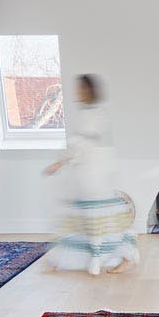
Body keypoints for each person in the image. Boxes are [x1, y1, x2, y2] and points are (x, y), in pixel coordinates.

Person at [44, 73, 139, 274]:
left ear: (89, 91)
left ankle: (124, 255)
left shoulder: (95, 115)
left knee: (98, 217)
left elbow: (82, 144)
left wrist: (60, 162)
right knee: (84, 216)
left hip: (95, 174)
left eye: (80, 89)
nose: (77, 93)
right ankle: (64, 257)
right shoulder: (88, 114)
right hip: (88, 172)